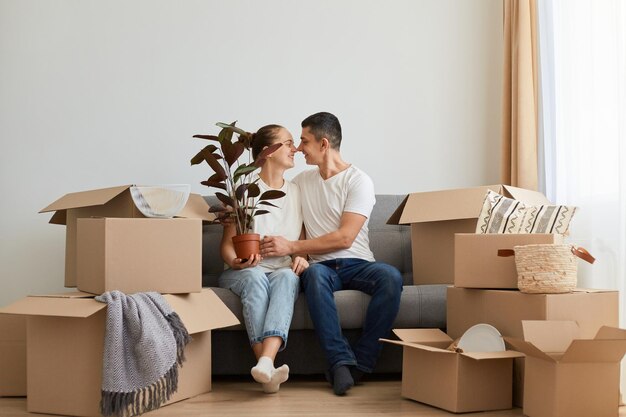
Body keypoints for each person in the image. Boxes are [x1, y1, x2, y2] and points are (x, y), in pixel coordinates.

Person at [260, 112, 403, 396]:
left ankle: (360, 363)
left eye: (304, 141)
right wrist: (293, 254)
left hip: (359, 263)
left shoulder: (359, 181)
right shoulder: (302, 182)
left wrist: (293, 247)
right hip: (321, 267)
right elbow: (291, 218)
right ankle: (339, 363)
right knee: (313, 277)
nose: (299, 148)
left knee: (391, 277)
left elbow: (345, 237)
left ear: (323, 144)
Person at [218, 124, 307, 394]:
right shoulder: (243, 189)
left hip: (280, 268)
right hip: (243, 271)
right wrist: (236, 262)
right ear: (268, 152)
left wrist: (301, 256)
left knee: (287, 277)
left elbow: (301, 240)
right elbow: (226, 246)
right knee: (256, 278)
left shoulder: (298, 192)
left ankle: (265, 365)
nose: (295, 149)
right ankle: (266, 365)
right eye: (289, 143)